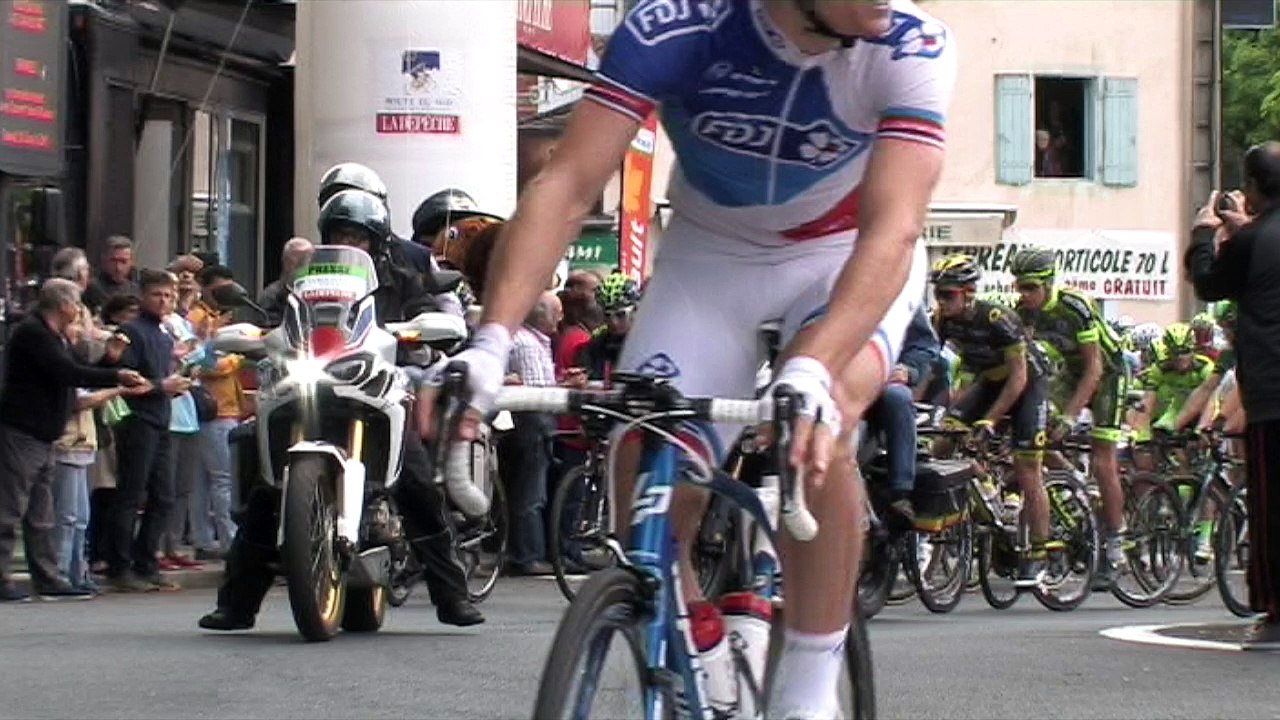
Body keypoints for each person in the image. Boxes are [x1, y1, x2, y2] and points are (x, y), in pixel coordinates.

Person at [417, 1, 955, 715]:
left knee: (819, 427)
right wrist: (490, 341)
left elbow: (894, 229)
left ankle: (809, 683)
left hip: (844, 257)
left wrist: (812, 367)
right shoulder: (676, 24)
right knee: (644, 443)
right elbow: (569, 184)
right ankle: (692, 629)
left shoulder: (911, 46)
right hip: (712, 259)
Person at [198, 186, 483, 631]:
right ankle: (236, 604)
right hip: (311, 384)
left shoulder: (400, 276)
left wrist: (423, 332)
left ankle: (453, 596)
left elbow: (428, 311)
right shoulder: (300, 282)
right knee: (265, 493)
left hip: (374, 387)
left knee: (417, 483)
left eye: (358, 236)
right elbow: (268, 313)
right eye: (341, 234)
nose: (349, 244)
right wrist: (252, 331)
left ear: (376, 240)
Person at [1184, 141, 1280, 647]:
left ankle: (1274, 609)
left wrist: (1205, 234)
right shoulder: (1259, 236)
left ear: (1255, 188)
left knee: (1269, 504)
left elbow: (1209, 283)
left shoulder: (1252, 239)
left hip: (1271, 389)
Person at [0, 279, 148, 601]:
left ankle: (49, 577)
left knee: (42, 515)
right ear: (64, 305)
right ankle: (3, 578)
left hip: (44, 434)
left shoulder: (55, 336)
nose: (80, 310)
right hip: (23, 432)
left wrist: (110, 362)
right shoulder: (33, 333)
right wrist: (116, 376)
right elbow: (67, 372)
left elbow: (77, 368)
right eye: (77, 303)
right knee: (9, 510)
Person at [1009, 246, 1132, 578]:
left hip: (1107, 372)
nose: (1024, 294)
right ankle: (1077, 484)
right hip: (1068, 372)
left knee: (1102, 455)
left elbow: (1094, 368)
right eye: (1019, 286)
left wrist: (1070, 416)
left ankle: (1115, 540)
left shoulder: (1074, 306)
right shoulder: (1024, 312)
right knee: (1038, 439)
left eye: (1031, 287)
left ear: (1049, 284)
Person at [931, 255, 1051, 586]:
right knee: (942, 442)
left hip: (1028, 384)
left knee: (1027, 468)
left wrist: (989, 421)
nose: (941, 301)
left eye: (948, 295)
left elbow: (1018, 378)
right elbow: (929, 368)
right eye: (938, 294)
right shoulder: (943, 320)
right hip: (989, 381)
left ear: (969, 293)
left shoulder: (998, 318)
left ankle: (1038, 552)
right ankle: (987, 499)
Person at [106, 269, 195, 592]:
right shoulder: (131, 331)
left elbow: (161, 376)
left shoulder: (163, 334)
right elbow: (124, 379)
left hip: (161, 419)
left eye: (169, 296)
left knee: (164, 495)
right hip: (138, 420)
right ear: (143, 296)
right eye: (157, 294)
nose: (164, 301)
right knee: (131, 494)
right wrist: (162, 385)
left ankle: (147, 562)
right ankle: (120, 567)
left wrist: (176, 382)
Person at [320, 163, 465, 315]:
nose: (345, 243)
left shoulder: (406, 271)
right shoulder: (314, 267)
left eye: (356, 237)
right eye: (339, 234)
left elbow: (440, 310)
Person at [864, 305, 939, 520]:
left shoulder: (901, 291)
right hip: (827, 380)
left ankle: (901, 493)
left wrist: (908, 369)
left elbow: (924, 344)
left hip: (881, 377)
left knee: (897, 397)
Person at [576, 273, 641, 381]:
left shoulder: (648, 342)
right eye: (607, 316)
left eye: (620, 315)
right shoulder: (594, 347)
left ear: (636, 311)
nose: (613, 322)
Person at [259, 237, 315, 325]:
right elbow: (270, 330)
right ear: (285, 262)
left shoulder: (316, 293)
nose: (305, 267)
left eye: (309, 262)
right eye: (300, 263)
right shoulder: (272, 296)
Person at [83, 236, 140, 315]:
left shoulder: (137, 290)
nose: (118, 268)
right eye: (113, 261)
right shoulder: (90, 288)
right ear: (104, 259)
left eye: (123, 261)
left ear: (131, 262)